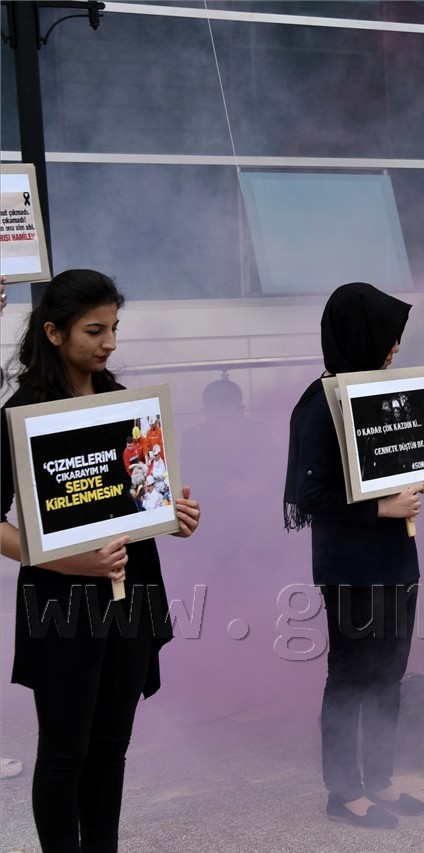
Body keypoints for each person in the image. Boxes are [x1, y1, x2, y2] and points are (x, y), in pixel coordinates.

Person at [0, 269, 201, 851]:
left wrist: (176, 516)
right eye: (95, 330)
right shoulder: (24, 412)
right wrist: (63, 563)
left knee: (111, 747)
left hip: (132, 593)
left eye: (114, 327)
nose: (110, 341)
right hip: (60, 601)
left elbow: (143, 500)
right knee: (65, 752)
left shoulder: (123, 404)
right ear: (54, 333)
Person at [283, 282, 424, 830]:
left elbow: (389, 469)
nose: (395, 348)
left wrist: (423, 478)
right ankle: (343, 791)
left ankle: (380, 779)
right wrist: (383, 510)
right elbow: (312, 498)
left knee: (390, 672)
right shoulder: (320, 405)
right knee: (351, 676)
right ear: (359, 336)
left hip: (397, 560)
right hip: (351, 567)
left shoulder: (377, 391)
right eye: (388, 338)